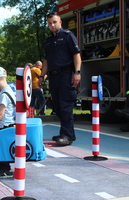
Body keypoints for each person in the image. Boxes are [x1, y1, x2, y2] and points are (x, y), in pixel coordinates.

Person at [38, 13, 81, 146]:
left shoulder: (68, 36)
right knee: (57, 106)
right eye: (50, 23)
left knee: (65, 106)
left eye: (54, 22)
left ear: (60, 22)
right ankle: (67, 133)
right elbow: (46, 61)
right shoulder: (48, 41)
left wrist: (77, 72)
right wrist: (41, 76)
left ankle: (67, 135)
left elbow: (76, 55)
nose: (52, 25)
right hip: (54, 77)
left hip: (66, 75)